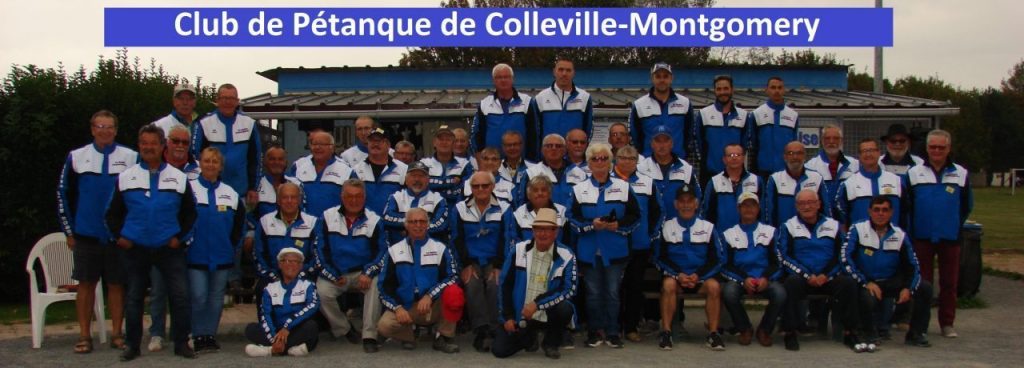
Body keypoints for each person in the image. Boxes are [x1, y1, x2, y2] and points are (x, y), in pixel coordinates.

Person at [105, 124, 197, 361]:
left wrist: (179, 238)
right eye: (144, 143)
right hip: (136, 248)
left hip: (168, 247)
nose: (148, 147)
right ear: (139, 146)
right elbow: (112, 214)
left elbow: (190, 213)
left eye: (153, 143)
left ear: (162, 146)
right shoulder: (126, 177)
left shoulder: (178, 178)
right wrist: (120, 237)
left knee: (180, 296)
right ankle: (132, 345)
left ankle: (181, 343)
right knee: (134, 298)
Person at [57, 110, 137, 353]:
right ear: (92, 129)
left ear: (116, 130)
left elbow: (136, 197)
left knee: (116, 285)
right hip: (86, 233)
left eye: (109, 127)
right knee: (86, 285)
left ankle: (117, 334)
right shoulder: (77, 156)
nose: (105, 131)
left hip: (117, 235)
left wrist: (130, 231)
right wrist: (69, 231)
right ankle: (84, 336)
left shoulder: (130, 157)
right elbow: (63, 193)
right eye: (100, 126)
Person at [568, 143, 641, 349]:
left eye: (604, 158)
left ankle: (612, 331)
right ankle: (594, 330)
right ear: (589, 163)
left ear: (610, 162)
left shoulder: (624, 187)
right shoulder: (579, 189)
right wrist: (591, 225)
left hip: (615, 249)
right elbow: (571, 218)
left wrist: (619, 225)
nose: (599, 162)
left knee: (612, 293)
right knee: (593, 294)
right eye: (595, 159)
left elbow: (636, 216)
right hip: (589, 250)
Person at [906, 129, 973, 338]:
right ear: (927, 148)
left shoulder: (960, 173)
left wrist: (952, 223)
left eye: (941, 147)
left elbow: (966, 206)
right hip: (922, 236)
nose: (937, 151)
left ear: (948, 148)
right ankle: (921, 324)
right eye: (933, 147)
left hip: (950, 237)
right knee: (922, 283)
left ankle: (947, 323)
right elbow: (908, 206)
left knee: (949, 283)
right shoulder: (914, 173)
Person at [776, 189, 860, 352]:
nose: (806, 206)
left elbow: (841, 255)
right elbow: (785, 257)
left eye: (810, 202)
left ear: (818, 204)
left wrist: (826, 275)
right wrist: (807, 275)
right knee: (790, 283)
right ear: (796, 206)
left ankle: (850, 332)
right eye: (802, 203)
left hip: (827, 277)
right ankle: (790, 332)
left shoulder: (833, 225)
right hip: (802, 278)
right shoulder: (788, 226)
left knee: (848, 283)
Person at [842, 196, 933, 348]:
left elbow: (913, 265)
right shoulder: (857, 229)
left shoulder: (899, 234)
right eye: (876, 210)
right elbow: (845, 259)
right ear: (869, 211)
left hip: (891, 280)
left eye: (885, 210)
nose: (880, 214)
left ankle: (916, 333)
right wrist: (866, 282)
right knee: (867, 297)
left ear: (891, 212)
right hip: (866, 281)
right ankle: (868, 333)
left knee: (925, 288)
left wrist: (908, 288)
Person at [493, 208, 578, 360]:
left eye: (547, 229)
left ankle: (551, 343)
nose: (542, 234)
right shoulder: (518, 250)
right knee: (500, 350)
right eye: (538, 229)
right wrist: (507, 316)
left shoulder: (567, 255)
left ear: (556, 232)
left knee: (565, 308)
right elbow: (505, 285)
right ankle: (529, 338)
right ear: (532, 230)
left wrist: (537, 304)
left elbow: (569, 289)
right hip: (521, 314)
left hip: (547, 313)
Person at [314, 179, 387, 353]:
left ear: (364, 197)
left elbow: (382, 253)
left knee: (376, 284)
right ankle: (344, 329)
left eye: (358, 196)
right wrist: (333, 275)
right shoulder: (327, 217)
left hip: (362, 273)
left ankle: (369, 335)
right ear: (342, 197)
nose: (354, 200)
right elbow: (319, 251)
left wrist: (368, 273)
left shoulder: (375, 220)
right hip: (336, 273)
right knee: (320, 291)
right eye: (349, 196)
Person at [186, 147, 246, 353]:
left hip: (222, 256)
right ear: (200, 164)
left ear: (221, 167)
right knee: (198, 296)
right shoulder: (189, 190)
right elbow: (181, 220)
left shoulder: (230, 193)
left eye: (215, 161)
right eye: (207, 160)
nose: (210, 165)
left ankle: (209, 335)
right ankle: (196, 334)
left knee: (216, 299)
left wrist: (232, 246)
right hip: (195, 255)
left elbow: (239, 226)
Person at [377, 208, 462, 353]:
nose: (418, 225)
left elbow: (453, 276)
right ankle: (409, 335)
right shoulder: (394, 251)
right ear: (406, 225)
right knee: (384, 326)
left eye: (422, 221)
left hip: (434, 305)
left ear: (428, 224)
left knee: (454, 292)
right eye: (413, 222)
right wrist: (397, 308)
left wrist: (430, 295)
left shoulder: (440, 248)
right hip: (407, 306)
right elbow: (384, 287)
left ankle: (443, 336)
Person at [653, 184, 724, 351]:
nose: (686, 205)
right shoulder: (666, 227)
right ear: (676, 204)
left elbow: (717, 259)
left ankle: (713, 334)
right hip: (677, 278)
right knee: (668, 285)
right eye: (682, 201)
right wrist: (678, 274)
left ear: (696, 204)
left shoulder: (708, 227)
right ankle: (666, 332)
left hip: (700, 279)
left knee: (714, 287)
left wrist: (698, 275)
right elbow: (659, 258)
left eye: (689, 201)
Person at [451, 171, 511, 352]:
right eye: (476, 186)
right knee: (472, 284)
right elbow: (456, 239)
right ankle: (481, 330)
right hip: (471, 260)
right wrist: (465, 265)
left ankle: (495, 329)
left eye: (485, 185)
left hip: (494, 260)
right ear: (471, 188)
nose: (481, 189)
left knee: (495, 285)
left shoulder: (504, 208)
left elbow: (507, 239)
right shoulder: (460, 208)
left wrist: (499, 266)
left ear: (492, 187)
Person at [720, 192, 786, 347]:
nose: (748, 209)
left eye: (752, 205)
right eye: (745, 206)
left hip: (765, 279)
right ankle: (744, 328)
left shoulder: (770, 232)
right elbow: (725, 265)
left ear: (758, 208)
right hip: (740, 279)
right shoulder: (729, 234)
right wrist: (743, 279)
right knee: (729, 292)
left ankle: (765, 329)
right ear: (738, 209)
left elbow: (778, 262)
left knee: (780, 293)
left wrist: (766, 278)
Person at [611, 145, 662, 342]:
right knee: (613, 288)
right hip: (613, 243)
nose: (627, 161)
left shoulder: (648, 183)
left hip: (639, 246)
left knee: (634, 287)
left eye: (631, 158)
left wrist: (650, 235)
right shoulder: (607, 180)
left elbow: (658, 212)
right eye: (623, 158)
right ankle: (613, 326)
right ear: (616, 159)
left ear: (637, 162)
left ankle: (631, 327)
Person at [191, 83, 261, 205]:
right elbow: (195, 157)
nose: (228, 102)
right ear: (217, 100)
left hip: (241, 194)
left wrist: (253, 188)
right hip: (211, 193)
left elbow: (256, 159)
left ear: (237, 101)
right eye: (224, 98)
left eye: (232, 99)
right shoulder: (204, 123)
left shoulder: (249, 123)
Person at [244, 248, 321, 357]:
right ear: (280, 264)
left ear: (301, 266)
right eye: (287, 261)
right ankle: (286, 348)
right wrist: (274, 337)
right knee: (250, 329)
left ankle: (269, 350)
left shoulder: (308, 285)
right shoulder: (270, 288)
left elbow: (313, 306)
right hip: (276, 331)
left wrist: (287, 327)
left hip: (296, 329)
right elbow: (265, 314)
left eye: (296, 262)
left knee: (311, 327)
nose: (291, 265)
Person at [253, 182, 319, 284]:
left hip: (304, 279)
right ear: (278, 200)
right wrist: (274, 277)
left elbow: (316, 257)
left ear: (299, 200)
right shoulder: (265, 221)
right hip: (271, 279)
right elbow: (259, 255)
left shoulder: (312, 223)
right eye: (285, 197)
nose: (289, 201)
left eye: (293, 197)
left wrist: (299, 276)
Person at [835, 138, 906, 229]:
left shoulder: (896, 181)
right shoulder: (848, 184)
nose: (868, 154)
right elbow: (841, 218)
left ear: (879, 153)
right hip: (860, 237)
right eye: (864, 151)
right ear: (859, 156)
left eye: (872, 150)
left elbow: (906, 214)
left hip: (891, 236)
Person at [628, 62, 694, 159]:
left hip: (677, 160)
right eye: (658, 76)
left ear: (671, 78)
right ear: (652, 79)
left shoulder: (685, 103)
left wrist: (683, 151)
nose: (662, 80)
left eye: (665, 76)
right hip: (648, 161)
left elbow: (689, 133)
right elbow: (635, 135)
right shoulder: (639, 105)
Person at [471, 63, 537, 158]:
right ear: (493, 81)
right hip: (492, 162)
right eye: (499, 77)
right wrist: (480, 160)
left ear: (512, 79)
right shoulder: (484, 104)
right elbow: (477, 135)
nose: (503, 80)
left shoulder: (527, 101)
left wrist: (532, 161)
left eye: (506, 77)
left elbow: (534, 134)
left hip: (521, 161)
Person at [636, 126, 701, 221]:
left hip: (677, 225)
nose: (662, 145)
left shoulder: (686, 168)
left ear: (672, 144)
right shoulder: (641, 168)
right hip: (650, 224)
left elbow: (697, 197)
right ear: (652, 144)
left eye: (666, 141)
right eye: (658, 141)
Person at [695, 74, 749, 182]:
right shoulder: (704, 114)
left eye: (726, 88)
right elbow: (698, 143)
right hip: (710, 173)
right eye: (719, 89)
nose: (722, 92)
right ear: (714, 91)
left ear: (732, 90)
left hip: (735, 173)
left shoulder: (743, 115)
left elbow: (745, 144)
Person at [533, 57, 593, 150]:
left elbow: (588, 129)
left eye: (568, 70)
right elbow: (535, 131)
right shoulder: (540, 97)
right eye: (561, 70)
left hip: (574, 155)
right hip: (549, 154)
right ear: (554, 72)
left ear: (574, 73)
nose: (564, 74)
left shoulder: (584, 97)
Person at [762, 141, 827, 227]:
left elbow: (826, 209)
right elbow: (769, 211)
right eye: (790, 153)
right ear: (785, 157)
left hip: (812, 233)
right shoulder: (775, 179)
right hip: (784, 233)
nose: (795, 157)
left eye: (799, 153)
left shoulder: (816, 178)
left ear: (805, 156)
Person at [288, 131, 353, 216]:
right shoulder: (298, 167)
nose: (317, 147)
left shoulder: (346, 170)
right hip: (304, 222)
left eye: (322, 144)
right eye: (314, 144)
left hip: (334, 222)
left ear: (332, 148)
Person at [382, 161, 448, 244]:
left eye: (421, 176)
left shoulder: (438, 199)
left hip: (430, 249)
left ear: (428, 180)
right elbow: (387, 218)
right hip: (399, 249)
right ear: (406, 180)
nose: (417, 179)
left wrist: (407, 229)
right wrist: (421, 222)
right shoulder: (396, 197)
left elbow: (439, 225)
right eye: (413, 176)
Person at [702, 144, 762, 231]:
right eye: (730, 155)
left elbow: (762, 211)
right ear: (724, 159)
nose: (734, 158)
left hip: (750, 235)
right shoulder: (714, 182)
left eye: (738, 155)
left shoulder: (756, 180)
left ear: (743, 158)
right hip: (721, 234)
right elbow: (706, 213)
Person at [521, 134, 588, 210]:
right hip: (541, 216)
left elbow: (585, 202)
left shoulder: (580, 173)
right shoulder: (531, 173)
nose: (554, 148)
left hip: (571, 217)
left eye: (558, 146)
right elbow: (523, 204)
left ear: (565, 150)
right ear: (542, 150)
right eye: (549, 146)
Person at [749, 76, 799, 177]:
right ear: (766, 90)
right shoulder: (757, 114)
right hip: (763, 171)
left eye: (780, 88)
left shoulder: (793, 115)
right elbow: (753, 145)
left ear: (784, 90)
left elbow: (794, 145)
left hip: (786, 170)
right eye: (773, 87)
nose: (776, 91)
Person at [351, 128, 408, 216]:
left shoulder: (403, 169)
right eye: (372, 141)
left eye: (379, 141)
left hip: (393, 222)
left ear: (388, 145)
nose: (375, 144)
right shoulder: (357, 170)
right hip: (364, 222)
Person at [505, 175, 569, 249]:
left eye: (543, 190)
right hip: (526, 254)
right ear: (529, 195)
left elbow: (568, 242)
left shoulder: (562, 212)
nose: (540, 193)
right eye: (535, 190)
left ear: (550, 194)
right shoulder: (519, 214)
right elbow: (515, 242)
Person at [806, 124, 859, 209]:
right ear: (822, 141)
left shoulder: (854, 165)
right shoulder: (810, 166)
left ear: (841, 141)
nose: (831, 141)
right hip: (822, 214)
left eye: (836, 138)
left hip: (847, 214)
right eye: (827, 138)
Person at [420, 125, 472, 207]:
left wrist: (433, 183)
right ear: (434, 143)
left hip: (456, 209)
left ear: (453, 143)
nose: (444, 142)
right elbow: (420, 189)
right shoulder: (423, 164)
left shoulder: (465, 164)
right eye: (441, 139)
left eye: (448, 140)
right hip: (429, 208)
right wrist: (451, 183)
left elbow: (465, 191)